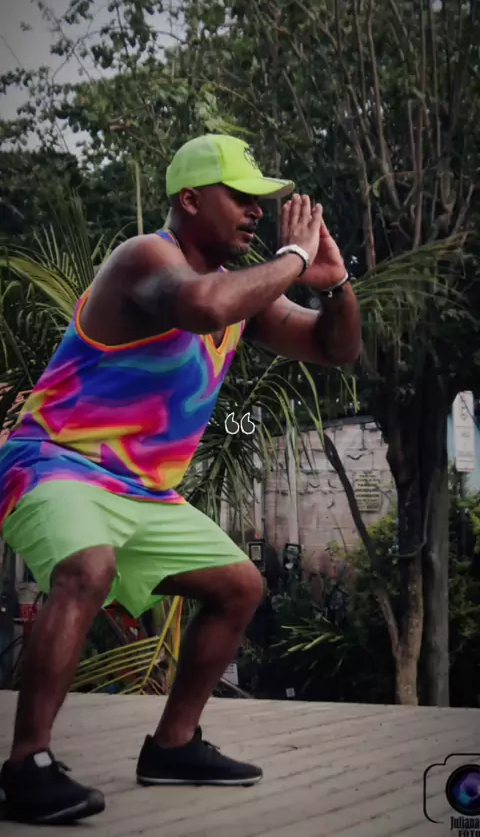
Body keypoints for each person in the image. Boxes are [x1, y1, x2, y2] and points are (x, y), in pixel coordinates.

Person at [0, 134, 362, 825]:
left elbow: (335, 348)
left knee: (239, 587)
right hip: (54, 462)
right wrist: (292, 257)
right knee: (87, 565)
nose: (257, 212)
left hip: (141, 492)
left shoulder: (244, 296)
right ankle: (26, 765)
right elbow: (202, 306)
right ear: (190, 200)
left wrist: (335, 284)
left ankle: (173, 745)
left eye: (262, 201)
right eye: (241, 197)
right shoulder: (144, 258)